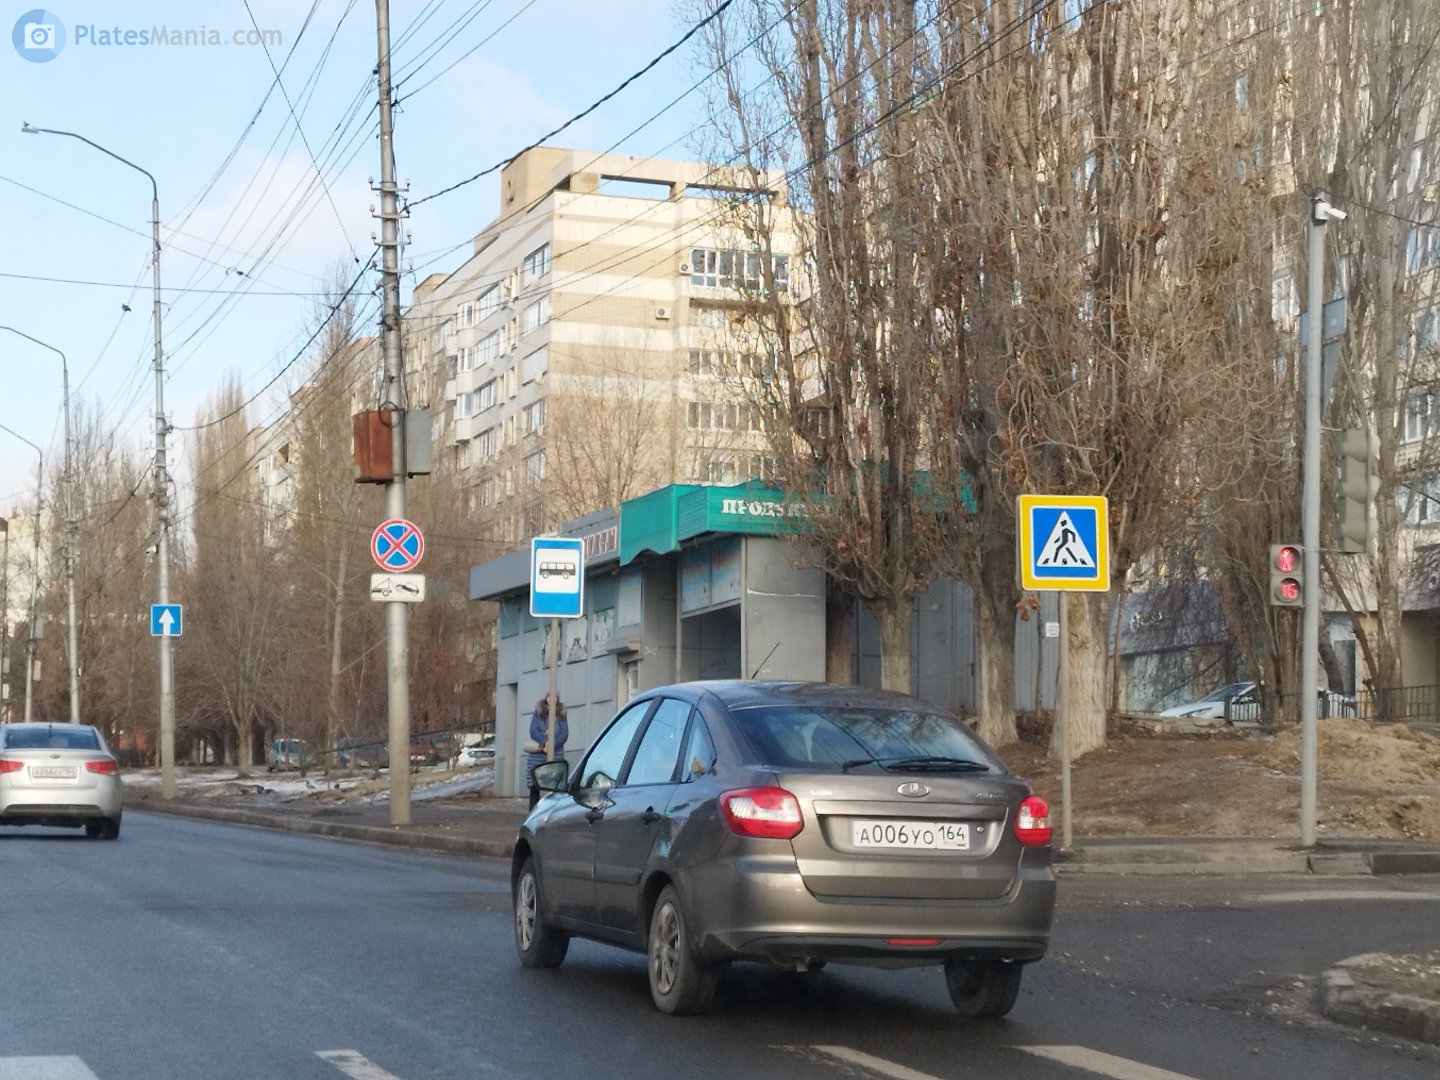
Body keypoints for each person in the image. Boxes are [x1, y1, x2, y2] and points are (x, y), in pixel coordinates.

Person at [526, 696, 568, 809]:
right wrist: (544, 743)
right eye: (549, 697)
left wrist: (552, 745)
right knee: (535, 786)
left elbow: (564, 734)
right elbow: (533, 730)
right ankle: (533, 812)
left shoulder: (561, 715)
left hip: (556, 754)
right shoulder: (538, 713)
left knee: (556, 785)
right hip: (538, 755)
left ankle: (554, 811)